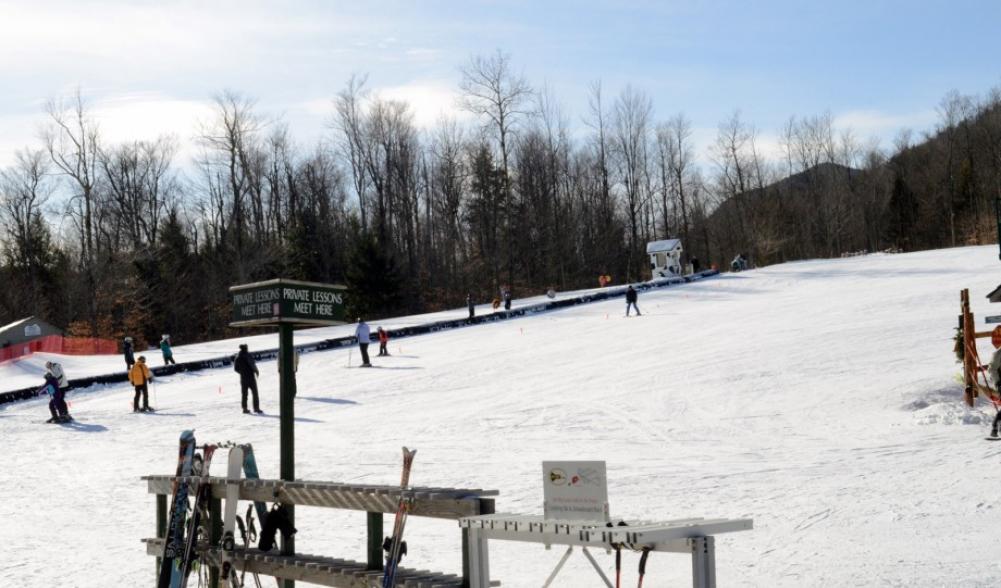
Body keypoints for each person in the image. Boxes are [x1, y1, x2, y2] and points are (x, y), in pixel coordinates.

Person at [234, 344, 262, 414]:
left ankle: (244, 408)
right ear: (245, 348)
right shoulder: (248, 355)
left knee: (244, 394)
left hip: (243, 378)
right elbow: (253, 364)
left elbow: (235, 369)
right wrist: (256, 371)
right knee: (255, 393)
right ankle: (256, 408)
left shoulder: (238, 357)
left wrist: (241, 372)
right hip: (250, 377)